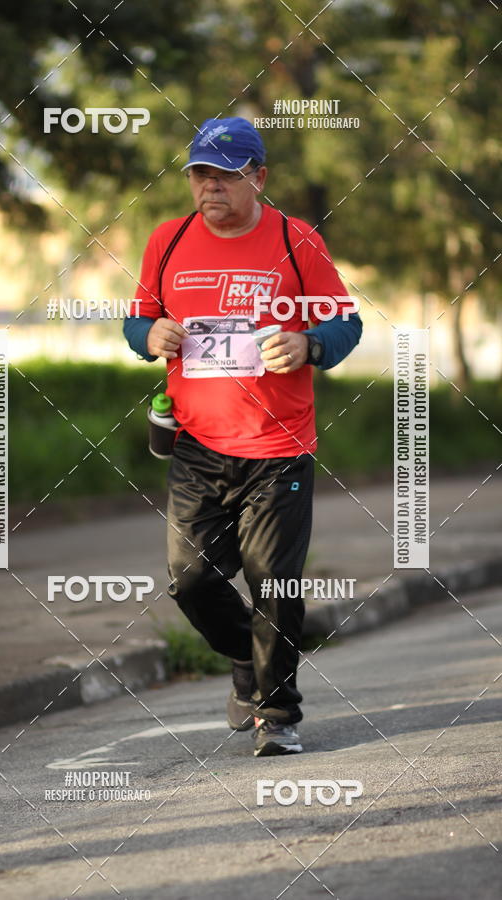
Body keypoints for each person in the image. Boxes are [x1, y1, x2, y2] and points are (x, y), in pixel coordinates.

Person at [124, 117, 362, 756]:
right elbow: (138, 318)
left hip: (279, 446)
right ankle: (244, 659)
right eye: (201, 174)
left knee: (274, 584)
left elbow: (347, 323)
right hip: (198, 444)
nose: (210, 188)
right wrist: (147, 337)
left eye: (225, 176)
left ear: (258, 178)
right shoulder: (167, 241)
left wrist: (308, 342)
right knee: (191, 580)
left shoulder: (295, 239)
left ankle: (277, 715)